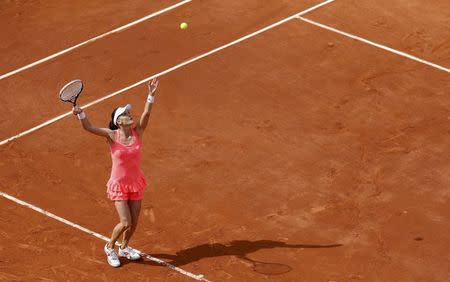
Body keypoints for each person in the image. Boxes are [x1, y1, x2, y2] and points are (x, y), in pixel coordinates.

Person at [72, 78, 159, 267]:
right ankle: (110, 246)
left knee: (134, 222)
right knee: (125, 222)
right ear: (118, 121)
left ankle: (124, 247)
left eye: (129, 112)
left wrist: (150, 96)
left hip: (135, 182)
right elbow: (89, 127)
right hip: (119, 184)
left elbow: (146, 113)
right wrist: (81, 114)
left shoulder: (138, 131)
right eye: (126, 114)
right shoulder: (111, 135)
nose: (130, 114)